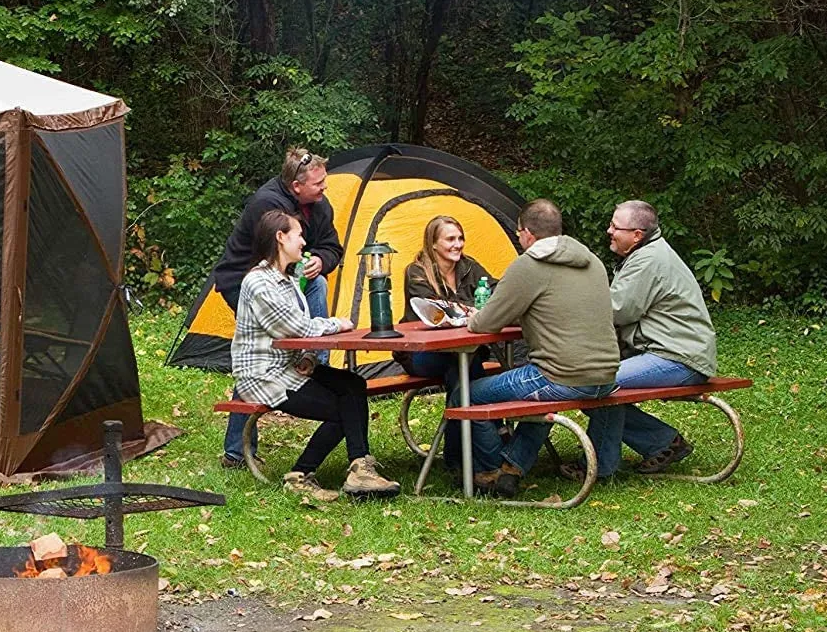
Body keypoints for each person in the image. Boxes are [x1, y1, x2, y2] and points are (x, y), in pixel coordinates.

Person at [232, 209, 400, 502]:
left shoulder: (287, 279)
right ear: (280, 238)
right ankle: (300, 474)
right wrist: (338, 323)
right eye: (298, 234)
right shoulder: (258, 282)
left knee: (353, 385)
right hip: (263, 375)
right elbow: (296, 327)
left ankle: (360, 468)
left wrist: (309, 356)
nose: (304, 241)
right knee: (342, 411)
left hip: (290, 365)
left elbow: (299, 334)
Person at [458, 199, 621, 497]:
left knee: (467, 395)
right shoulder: (592, 260)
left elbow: (486, 323)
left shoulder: (529, 265)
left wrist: (473, 316)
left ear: (528, 233)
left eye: (518, 232)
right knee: (537, 397)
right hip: (607, 374)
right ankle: (513, 468)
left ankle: (489, 471)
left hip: (562, 376)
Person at [214, 148, 345, 469]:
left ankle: (313, 358)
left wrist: (320, 260)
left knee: (319, 282)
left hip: (288, 277)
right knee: (257, 356)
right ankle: (236, 450)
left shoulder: (318, 205)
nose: (324, 188)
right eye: (318, 183)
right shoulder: (267, 205)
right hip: (246, 279)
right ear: (295, 186)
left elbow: (332, 247)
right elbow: (272, 256)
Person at [604, 199, 718, 473]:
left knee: (595, 382)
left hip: (678, 358)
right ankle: (663, 442)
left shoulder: (648, 260)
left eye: (615, 226)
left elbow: (617, 311)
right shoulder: (647, 253)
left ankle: (602, 465)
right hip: (672, 353)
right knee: (594, 382)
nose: (609, 231)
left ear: (636, 235)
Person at [396, 214, 497, 382]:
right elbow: (435, 311)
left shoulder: (469, 266)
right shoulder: (416, 272)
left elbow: (497, 291)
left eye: (460, 238)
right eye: (451, 239)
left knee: (466, 357)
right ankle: (466, 405)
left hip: (465, 346)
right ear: (433, 243)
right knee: (461, 360)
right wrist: (475, 307)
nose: (458, 245)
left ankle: (462, 405)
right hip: (422, 352)